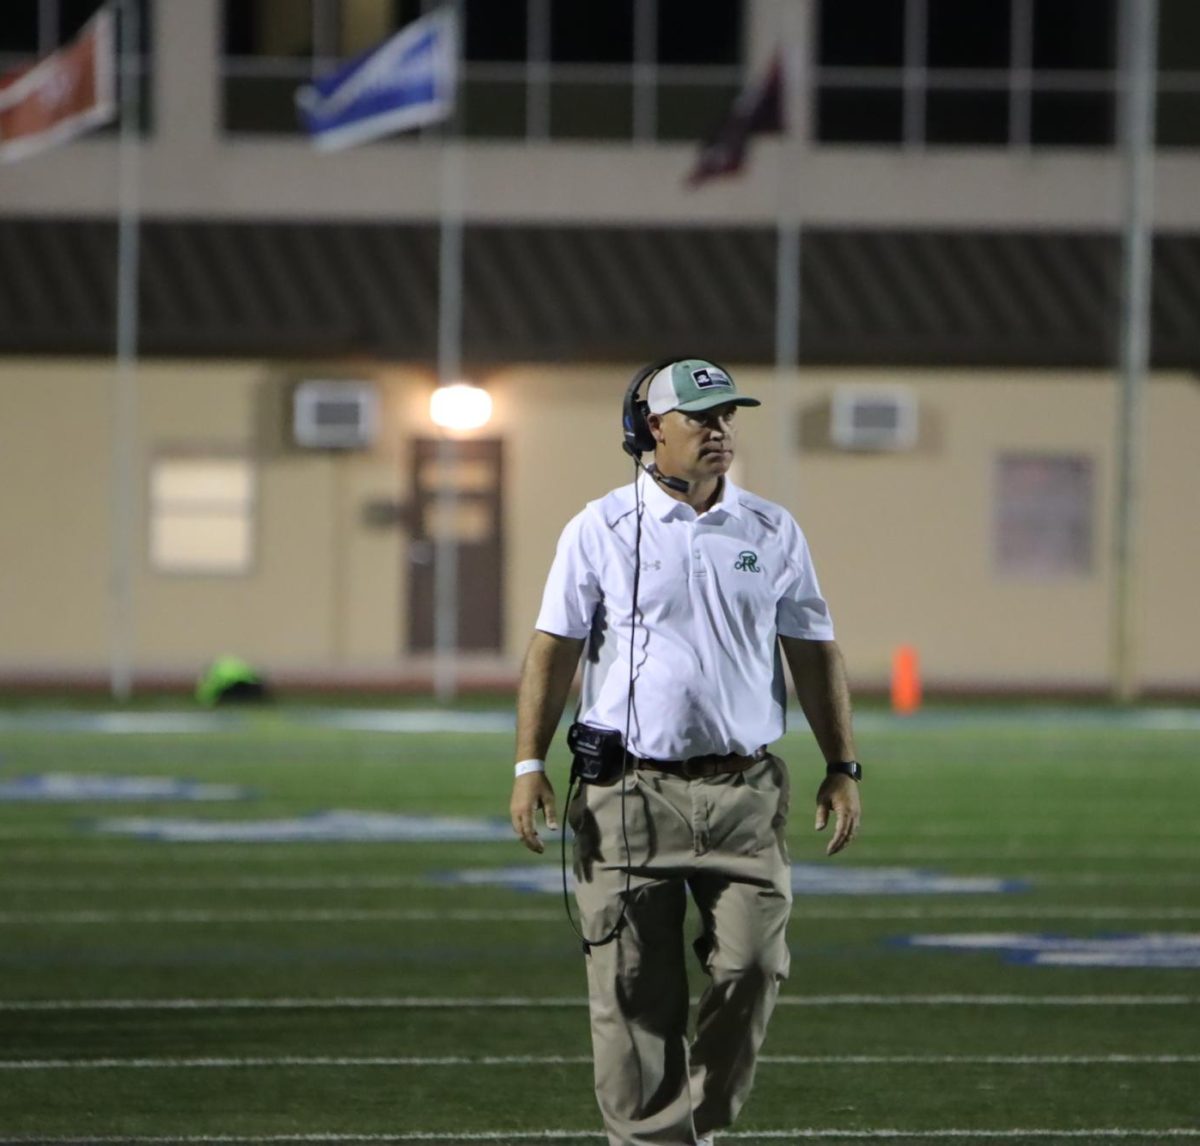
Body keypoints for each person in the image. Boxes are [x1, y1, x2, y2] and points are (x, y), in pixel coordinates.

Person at [509, 358, 862, 1146]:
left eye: (727, 415)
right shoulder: (598, 529)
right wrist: (529, 763)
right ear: (647, 431)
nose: (719, 430)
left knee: (753, 967)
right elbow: (553, 650)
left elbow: (812, 650)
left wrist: (843, 765)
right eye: (701, 417)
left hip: (746, 793)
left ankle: (694, 1126)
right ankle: (654, 1141)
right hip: (628, 794)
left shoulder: (771, 529)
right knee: (636, 994)